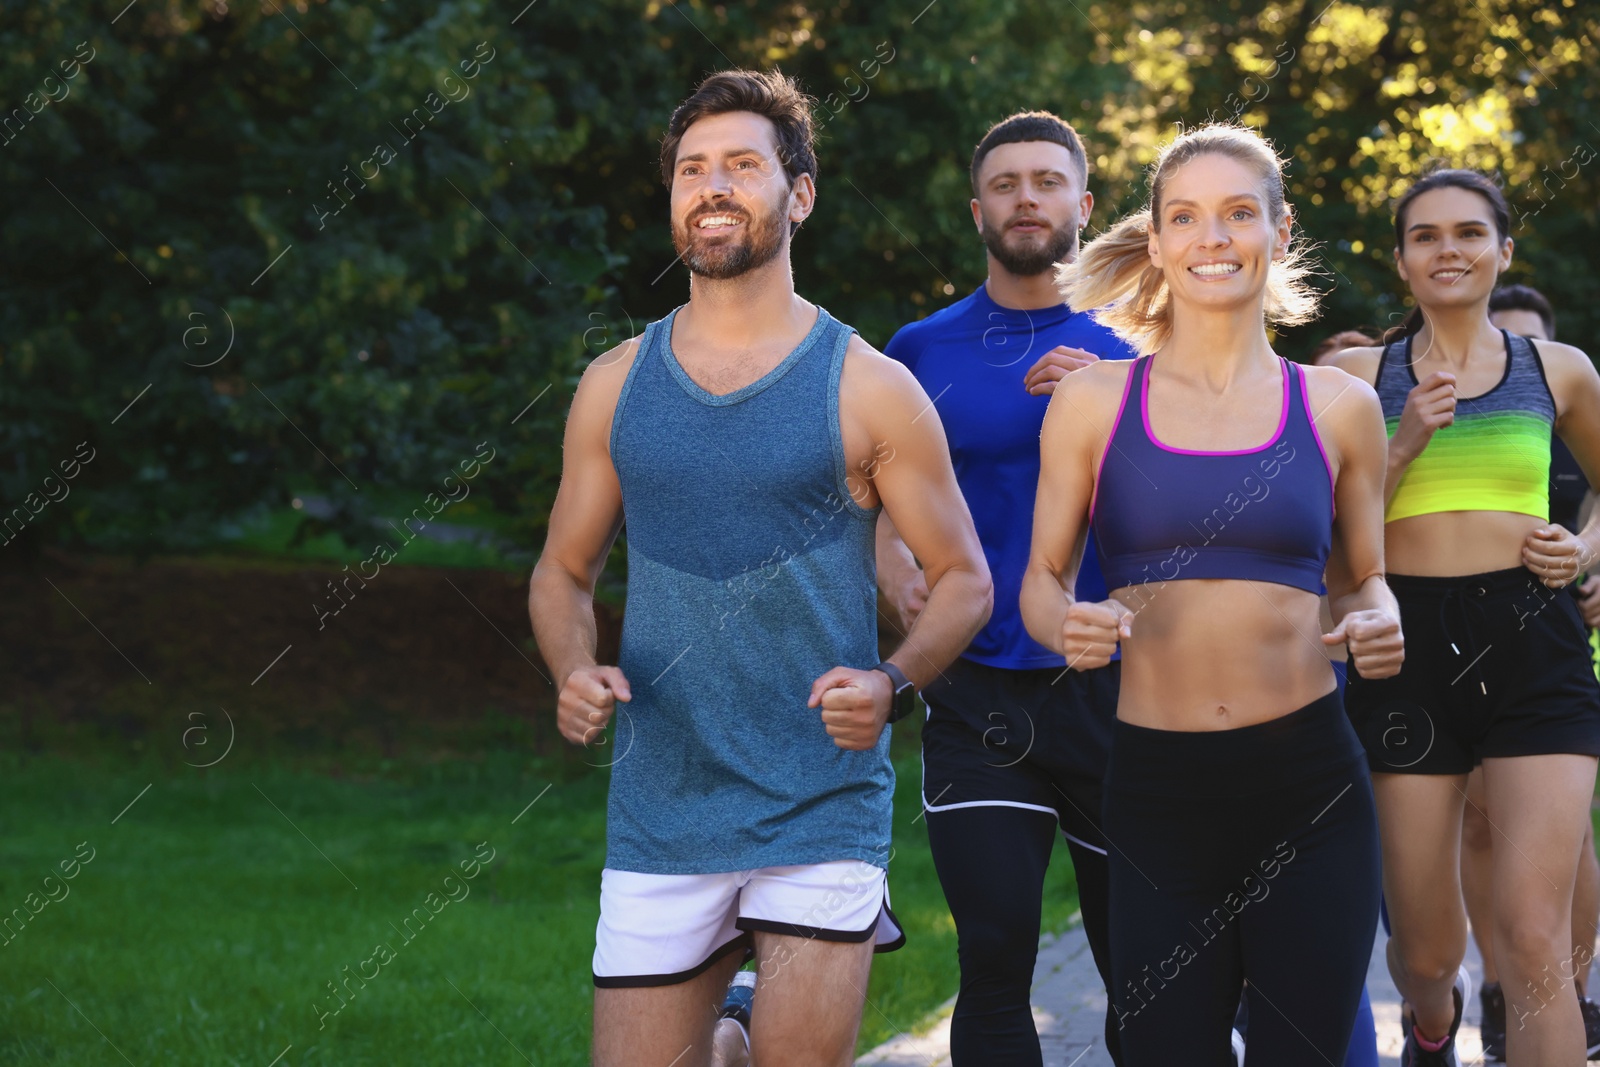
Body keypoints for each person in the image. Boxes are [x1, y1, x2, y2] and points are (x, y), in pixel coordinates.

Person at [528, 69, 993, 1067]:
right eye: (692, 169)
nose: (713, 186)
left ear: (801, 193)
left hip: (819, 797)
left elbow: (963, 576)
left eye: (742, 164)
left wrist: (892, 681)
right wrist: (571, 666)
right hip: (661, 800)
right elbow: (563, 573)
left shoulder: (871, 387)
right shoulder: (613, 385)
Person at [1022, 122, 1397, 1065]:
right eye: (1185, 217)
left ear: (1277, 228)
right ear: (1155, 242)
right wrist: (1064, 624)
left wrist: (1381, 616)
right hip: (1157, 792)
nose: (1212, 237)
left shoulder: (1339, 407)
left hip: (1309, 787)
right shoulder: (1094, 402)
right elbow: (1041, 581)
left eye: (1238, 213)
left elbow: (1363, 581)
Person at [876, 109, 1138, 1066]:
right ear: (976, 207)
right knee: (993, 960)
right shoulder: (920, 349)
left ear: (1084, 203)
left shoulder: (1146, 347)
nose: (1026, 198)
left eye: (1047, 180)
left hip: (1121, 687)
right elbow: (877, 496)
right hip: (978, 691)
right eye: (1005, 183)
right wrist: (891, 566)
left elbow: (1206, 504)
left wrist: (1116, 400)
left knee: (1141, 969)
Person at [1328, 168, 1600, 1066]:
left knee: (1534, 943)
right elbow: (1327, 534)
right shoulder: (1357, 377)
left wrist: (1583, 550)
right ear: (1402, 261)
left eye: (1470, 233)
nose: (1450, 249)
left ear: (1503, 250)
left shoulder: (1558, 370)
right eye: (1427, 236)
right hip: (1405, 648)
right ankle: (1431, 1021)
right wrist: (1401, 444)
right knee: (1426, 949)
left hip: (1536, 639)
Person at [1454, 282, 1600, 1060]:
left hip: (1567, 646)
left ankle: (1566, 992)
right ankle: (1503, 977)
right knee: (1481, 823)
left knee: (1565, 835)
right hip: (1471, 651)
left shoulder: (1569, 395)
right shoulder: (1443, 406)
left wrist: (1592, 557)